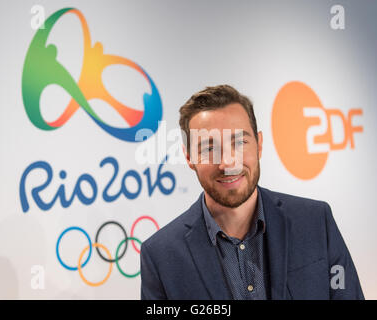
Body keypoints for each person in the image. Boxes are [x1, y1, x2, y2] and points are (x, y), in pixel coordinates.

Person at [140, 85, 364, 300]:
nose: (228, 163)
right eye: (209, 148)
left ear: (259, 144)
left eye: (239, 142)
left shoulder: (315, 221)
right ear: (189, 158)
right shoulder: (161, 256)